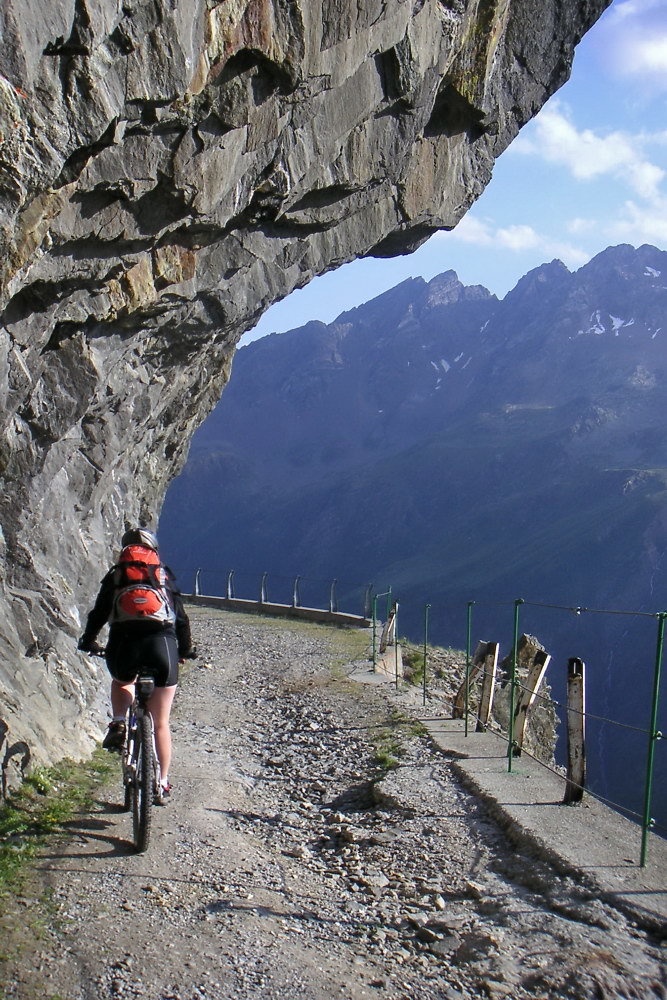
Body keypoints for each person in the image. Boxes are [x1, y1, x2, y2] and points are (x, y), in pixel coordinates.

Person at [77, 527, 196, 799]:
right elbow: (180, 618)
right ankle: (162, 783)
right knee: (161, 723)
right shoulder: (162, 574)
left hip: (124, 644)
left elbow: (99, 613)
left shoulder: (117, 576)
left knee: (122, 680)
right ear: (153, 550)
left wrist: (88, 640)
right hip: (161, 644)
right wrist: (186, 650)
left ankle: (119, 721)